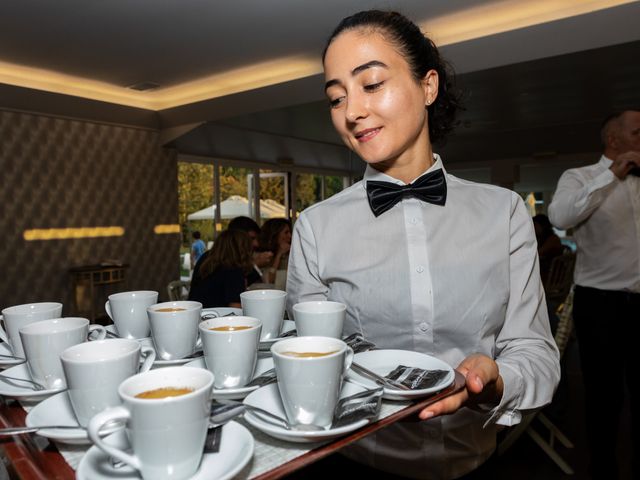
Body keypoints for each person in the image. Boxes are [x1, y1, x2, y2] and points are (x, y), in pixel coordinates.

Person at [286, 10, 560, 479]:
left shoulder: (505, 212)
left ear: (428, 86)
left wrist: (494, 382)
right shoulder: (314, 227)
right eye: (337, 98)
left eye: (371, 84)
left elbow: (534, 352)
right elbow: (311, 360)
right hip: (356, 464)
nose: (352, 112)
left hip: (477, 462)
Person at [548, 109, 640, 479]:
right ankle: (603, 468)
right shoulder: (580, 177)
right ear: (614, 140)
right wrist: (611, 176)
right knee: (604, 395)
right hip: (600, 304)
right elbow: (559, 216)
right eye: (638, 131)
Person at [187, 229, 253, 308]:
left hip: (194, 312)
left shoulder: (205, 258)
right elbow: (235, 308)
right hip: (217, 316)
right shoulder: (233, 268)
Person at [228, 216, 273, 285]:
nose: (256, 244)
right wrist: (256, 265)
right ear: (237, 238)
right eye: (251, 238)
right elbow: (237, 286)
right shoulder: (224, 260)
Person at [531, 214, 564, 285]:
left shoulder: (553, 239)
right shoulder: (541, 238)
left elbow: (538, 253)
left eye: (535, 225)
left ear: (542, 226)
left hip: (551, 277)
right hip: (546, 275)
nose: (533, 228)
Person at [258, 218, 292, 284]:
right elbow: (269, 281)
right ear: (275, 234)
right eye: (286, 232)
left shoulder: (291, 255)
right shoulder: (262, 256)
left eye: (290, 232)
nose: (290, 236)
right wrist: (279, 255)